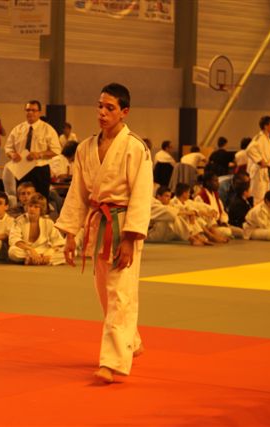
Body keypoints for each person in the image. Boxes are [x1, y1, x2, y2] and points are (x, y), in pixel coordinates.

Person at [55, 83, 153, 384]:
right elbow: (78, 193)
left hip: (122, 225)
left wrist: (130, 239)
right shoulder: (85, 148)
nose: (102, 112)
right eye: (100, 106)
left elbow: (142, 195)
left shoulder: (136, 147)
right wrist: (70, 234)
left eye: (110, 108)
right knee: (105, 294)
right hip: (97, 223)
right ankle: (131, 340)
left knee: (120, 293)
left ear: (124, 112)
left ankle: (112, 362)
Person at [5, 100, 61, 200]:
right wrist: (12, 154)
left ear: (39, 112)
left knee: (40, 199)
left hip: (40, 169)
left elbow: (56, 150)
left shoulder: (47, 129)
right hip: (21, 168)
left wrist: (39, 154)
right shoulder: (17, 129)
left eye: (33, 110)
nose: (30, 112)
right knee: (23, 199)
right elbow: (8, 148)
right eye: (28, 110)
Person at [8, 193, 65, 265]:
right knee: (12, 251)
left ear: (41, 209)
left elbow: (58, 241)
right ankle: (43, 260)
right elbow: (14, 239)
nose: (32, 209)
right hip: (26, 250)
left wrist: (50, 252)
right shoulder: (19, 220)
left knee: (68, 252)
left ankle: (33, 260)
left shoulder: (48, 222)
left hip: (43, 250)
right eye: (30, 206)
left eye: (36, 207)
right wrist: (30, 250)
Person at [194, 172, 232, 241]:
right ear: (208, 183)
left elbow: (222, 212)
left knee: (239, 231)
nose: (218, 183)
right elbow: (201, 216)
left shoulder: (216, 195)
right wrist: (214, 224)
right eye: (215, 181)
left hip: (219, 224)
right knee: (228, 232)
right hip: (209, 226)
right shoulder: (200, 196)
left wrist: (223, 222)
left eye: (217, 181)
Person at [247, 116, 270, 205]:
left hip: (265, 172)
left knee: (265, 199)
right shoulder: (260, 137)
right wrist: (259, 161)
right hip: (259, 172)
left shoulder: (268, 140)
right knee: (258, 198)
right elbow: (249, 149)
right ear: (266, 126)